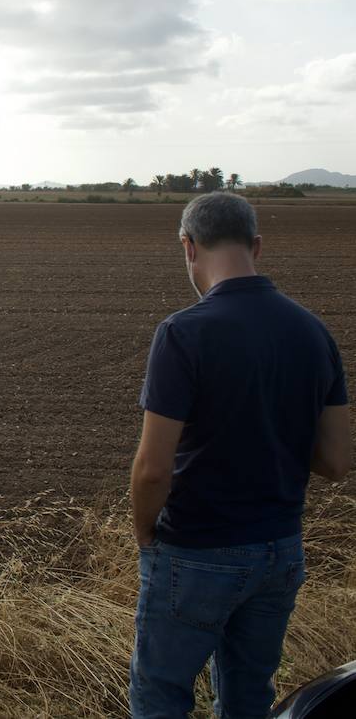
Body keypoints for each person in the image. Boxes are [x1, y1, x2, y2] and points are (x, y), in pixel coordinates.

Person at [129, 191, 350, 719]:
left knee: (160, 696)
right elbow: (338, 461)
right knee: (250, 699)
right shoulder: (313, 331)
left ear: (188, 246)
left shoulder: (183, 332)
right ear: (257, 245)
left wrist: (145, 535)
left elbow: (153, 469)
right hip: (280, 549)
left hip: (196, 549)